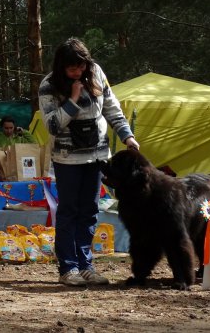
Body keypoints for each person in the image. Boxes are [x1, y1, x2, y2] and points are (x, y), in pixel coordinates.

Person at [38, 38, 139, 287]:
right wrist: (72, 101)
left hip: (97, 156)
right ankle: (68, 268)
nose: (78, 72)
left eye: (81, 66)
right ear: (61, 66)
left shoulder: (96, 74)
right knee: (69, 211)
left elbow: (112, 108)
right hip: (67, 159)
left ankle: (86, 265)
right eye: (72, 68)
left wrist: (128, 136)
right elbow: (51, 125)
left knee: (90, 212)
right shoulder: (48, 85)